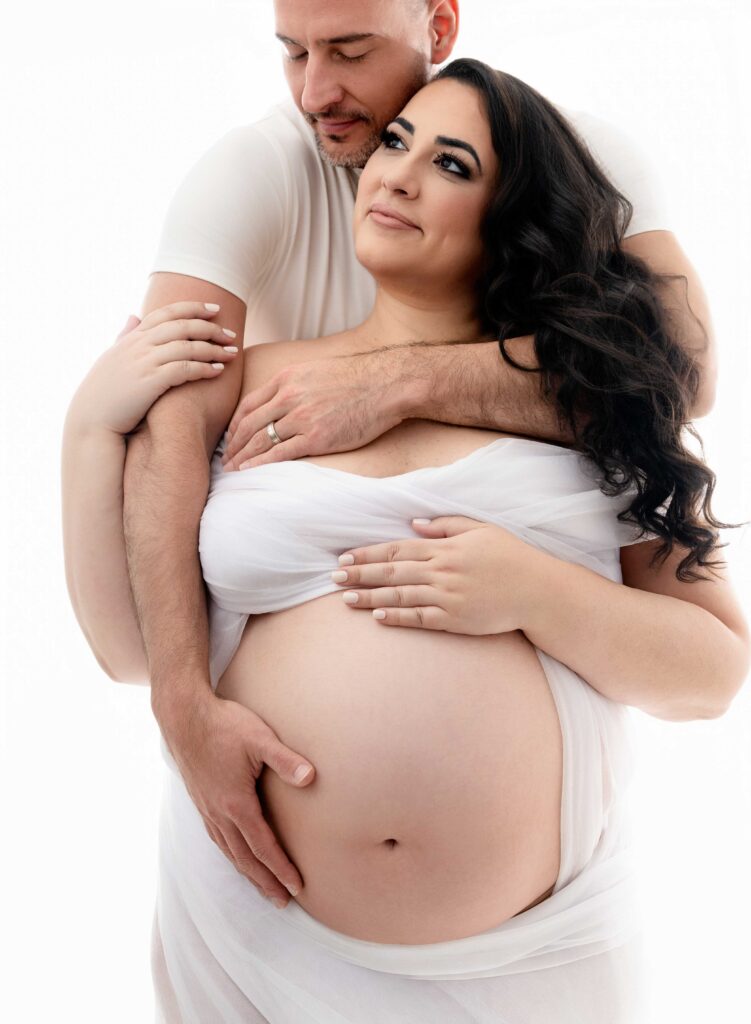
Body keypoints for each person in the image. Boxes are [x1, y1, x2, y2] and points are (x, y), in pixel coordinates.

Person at [63, 56, 749, 1022]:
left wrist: (530, 592)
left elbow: (712, 673)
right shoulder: (235, 381)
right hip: (256, 937)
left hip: (536, 961)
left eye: (453, 164)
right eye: (395, 142)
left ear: (514, 221)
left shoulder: (595, 410)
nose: (394, 173)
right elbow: (123, 649)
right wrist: (87, 430)